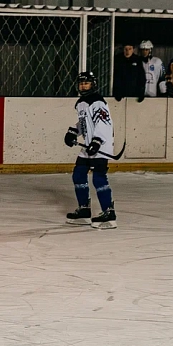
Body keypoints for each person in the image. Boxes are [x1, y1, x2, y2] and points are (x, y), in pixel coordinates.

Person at [64, 71, 117, 230]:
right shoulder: (81, 103)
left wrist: (97, 141)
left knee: (98, 178)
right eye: (81, 83)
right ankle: (84, 210)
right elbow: (84, 123)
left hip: (101, 145)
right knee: (79, 174)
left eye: (86, 83)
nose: (83, 86)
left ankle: (109, 212)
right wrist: (73, 131)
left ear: (93, 84)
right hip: (89, 145)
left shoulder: (98, 102)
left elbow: (104, 123)